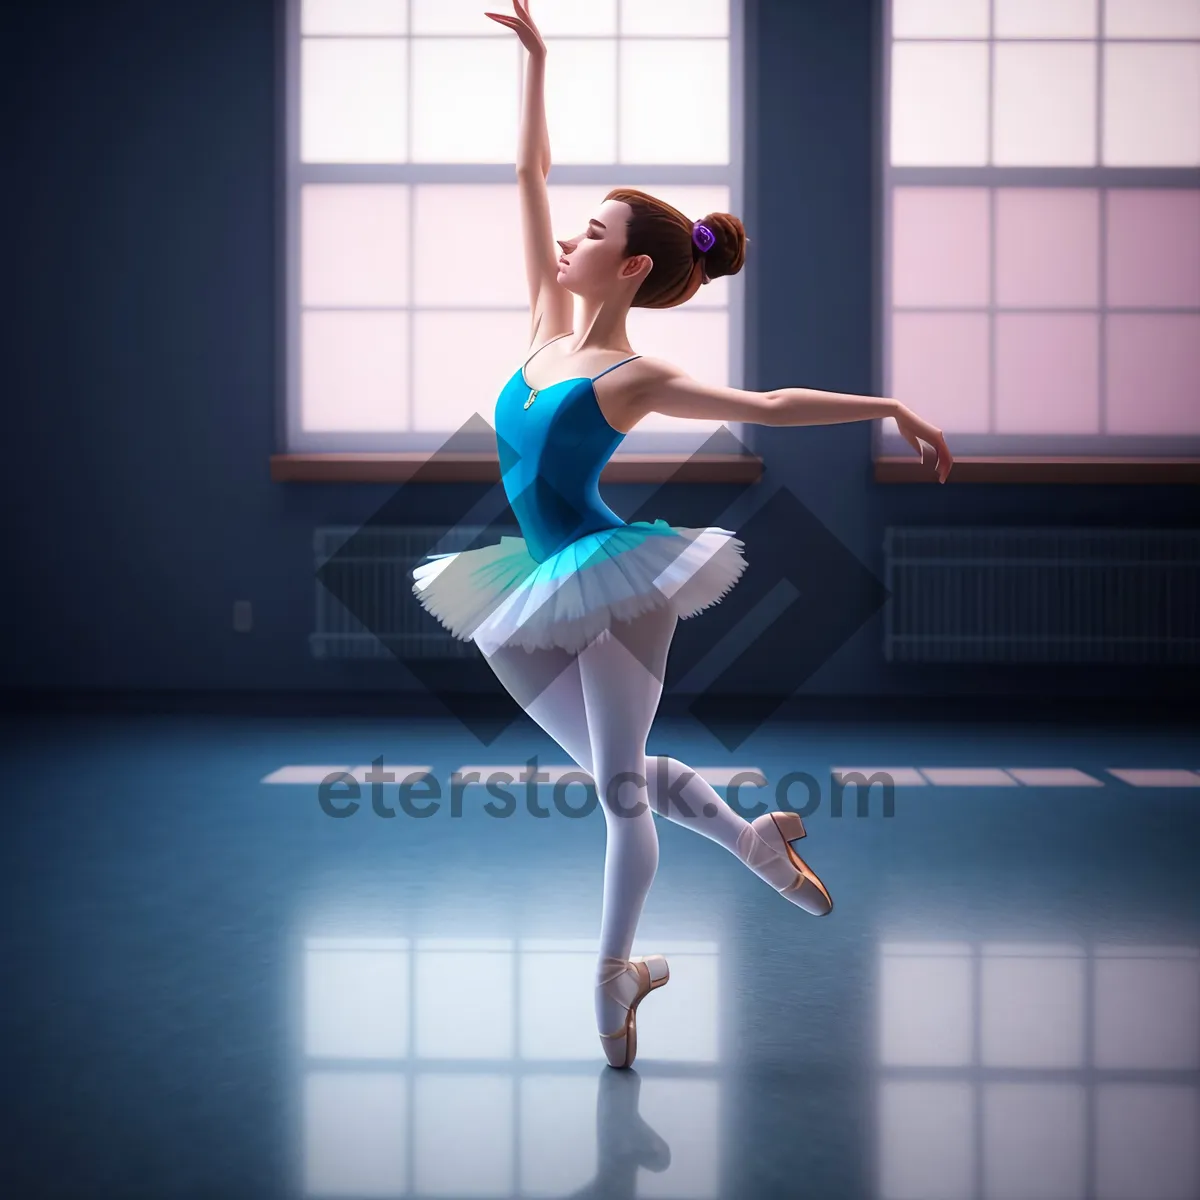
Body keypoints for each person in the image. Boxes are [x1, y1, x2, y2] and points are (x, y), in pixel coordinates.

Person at [413, 0, 954, 1070]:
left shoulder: (635, 373)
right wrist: (538, 62)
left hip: (617, 581)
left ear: (631, 273)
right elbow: (530, 179)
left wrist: (887, 409)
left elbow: (771, 401)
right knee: (624, 774)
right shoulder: (544, 324)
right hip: (522, 582)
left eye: (596, 235)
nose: (572, 238)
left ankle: (614, 977)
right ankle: (756, 842)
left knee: (619, 793)